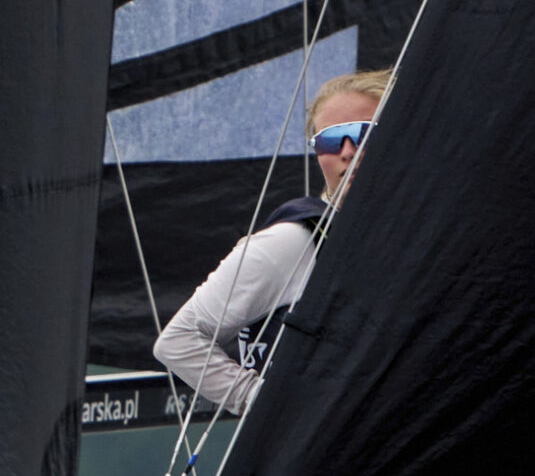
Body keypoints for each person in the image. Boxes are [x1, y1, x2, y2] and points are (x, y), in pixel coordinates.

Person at [152, 69, 390, 414]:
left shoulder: (420, 231)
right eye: (329, 140)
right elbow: (179, 341)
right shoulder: (293, 239)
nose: (348, 151)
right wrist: (268, 406)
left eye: (363, 132)